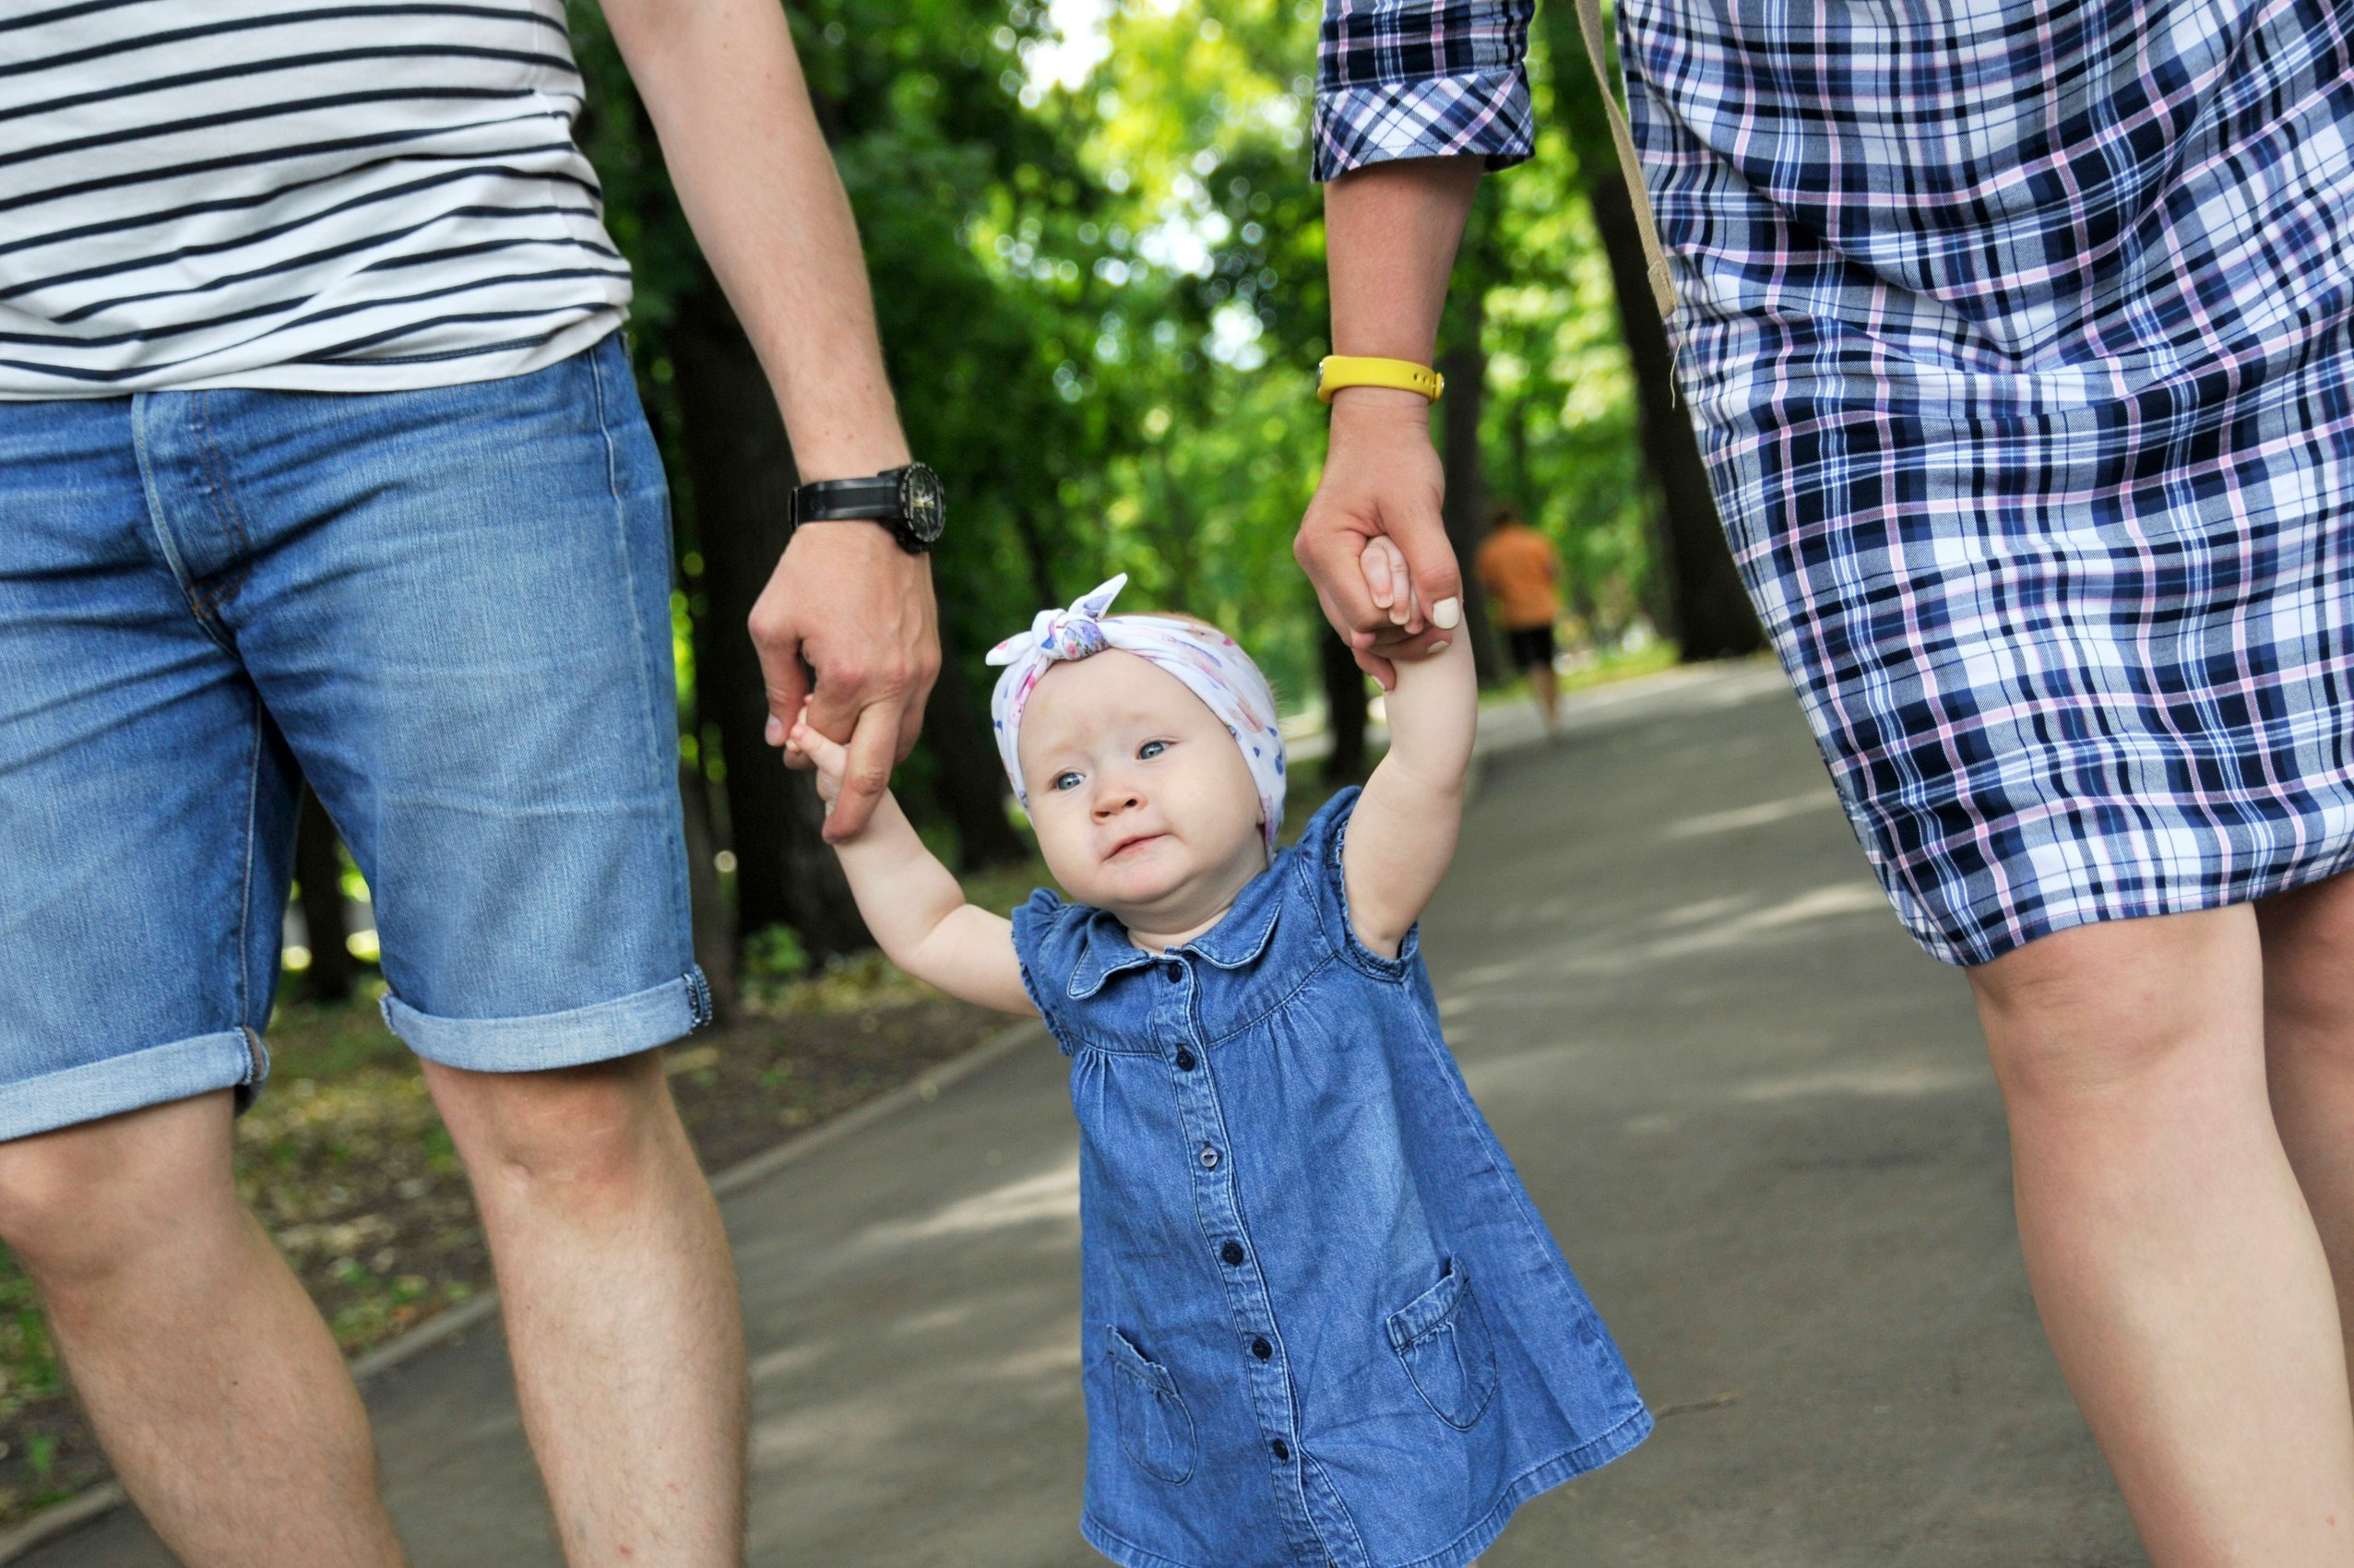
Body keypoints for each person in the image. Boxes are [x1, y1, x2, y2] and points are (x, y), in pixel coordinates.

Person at [1293, 0, 2354, 1560]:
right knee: (2098, 993)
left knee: (2338, 945)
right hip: (1829, 293)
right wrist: (1377, 387)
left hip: (2260, 159)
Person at [0, 2, 940, 1563]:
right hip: (17, 458)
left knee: (559, 1100)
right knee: (66, 1174)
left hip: (442, 343)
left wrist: (857, 487)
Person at [783, 566, 1649, 1568]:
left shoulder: (1340, 909)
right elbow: (931, 924)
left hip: (1377, 1377)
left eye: (1153, 746)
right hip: (1198, 1402)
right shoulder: (1077, 973)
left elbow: (1426, 769)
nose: (1113, 791)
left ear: (1254, 767)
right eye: (1065, 780)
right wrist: (862, 806)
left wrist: (1425, 649)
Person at [1472, 503, 1563, 731]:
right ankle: (1555, 710)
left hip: (1514, 616)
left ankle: (1546, 712)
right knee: (1549, 662)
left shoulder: (1490, 551)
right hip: (1543, 611)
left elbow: (1486, 588)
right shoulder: (1536, 542)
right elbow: (1554, 572)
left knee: (1531, 666)